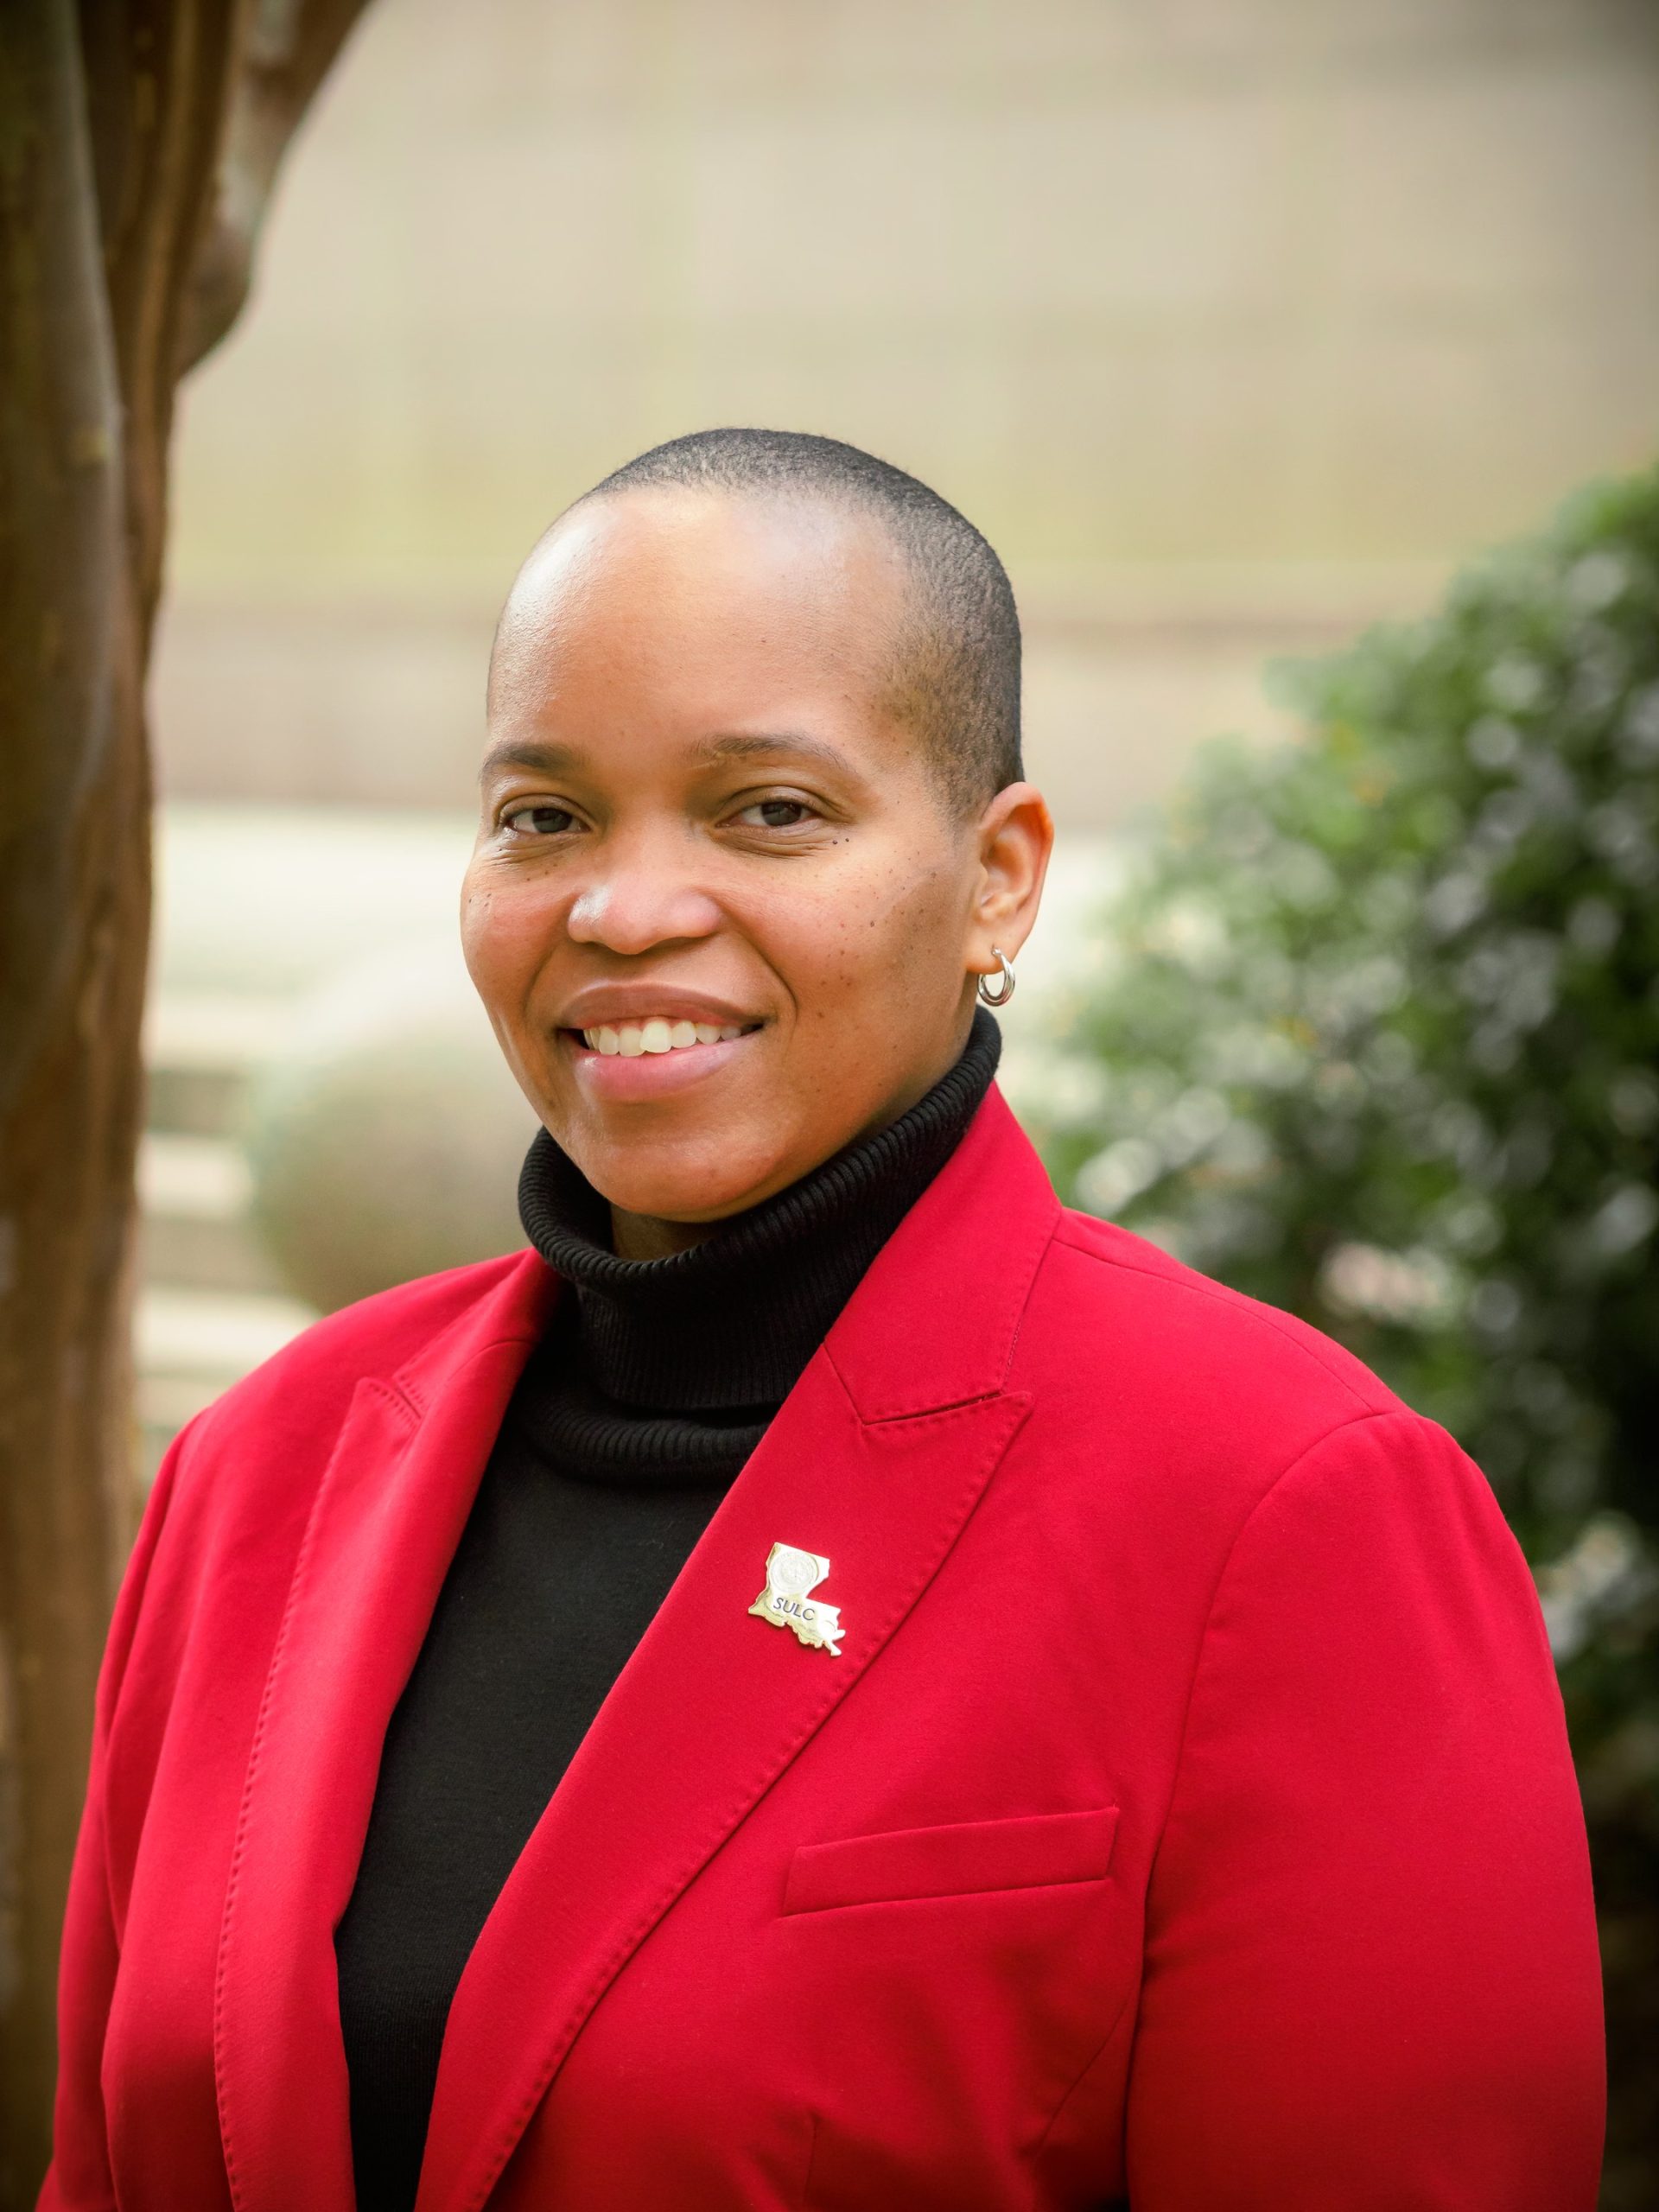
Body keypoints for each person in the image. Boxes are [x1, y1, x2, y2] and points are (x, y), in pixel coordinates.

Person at [41, 429, 1603, 2212]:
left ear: (1000, 874)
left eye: (768, 810)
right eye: (544, 816)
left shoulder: (1288, 1505)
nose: (625, 909)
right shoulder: (263, 1465)